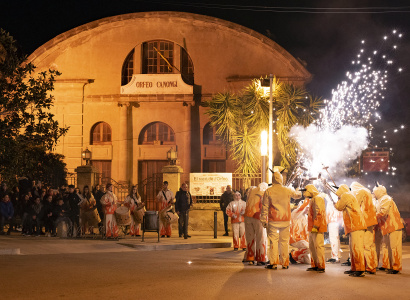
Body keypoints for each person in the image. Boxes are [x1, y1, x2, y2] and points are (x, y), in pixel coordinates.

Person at [261, 171, 301, 270]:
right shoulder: (287, 190)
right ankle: (285, 263)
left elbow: (264, 207)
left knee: (273, 241)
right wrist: (298, 190)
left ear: (273, 179)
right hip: (286, 219)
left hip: (273, 220)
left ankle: (274, 263)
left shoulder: (268, 191)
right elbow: (297, 195)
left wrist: (263, 220)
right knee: (284, 241)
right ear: (281, 179)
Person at [334, 184, 367, 277]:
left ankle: (360, 270)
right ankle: (354, 268)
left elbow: (339, 207)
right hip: (354, 225)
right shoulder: (348, 195)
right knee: (353, 248)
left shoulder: (346, 195)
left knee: (357, 248)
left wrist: (336, 202)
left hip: (356, 225)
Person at [373, 184, 403, 274]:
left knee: (394, 247)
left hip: (393, 226)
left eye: (374, 191)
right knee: (387, 247)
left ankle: (396, 267)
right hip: (387, 227)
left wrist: (371, 219)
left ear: (379, 191)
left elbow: (383, 212)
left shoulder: (385, 198)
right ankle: (388, 265)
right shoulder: (380, 200)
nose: (373, 193)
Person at [351, 182, 378, 274]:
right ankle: (372, 266)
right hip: (370, 220)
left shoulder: (360, 192)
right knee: (370, 245)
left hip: (365, 221)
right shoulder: (367, 192)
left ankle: (370, 267)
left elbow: (355, 204)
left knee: (366, 245)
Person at [303, 184, 327, 273]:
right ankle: (315, 265)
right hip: (313, 226)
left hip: (317, 226)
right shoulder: (314, 198)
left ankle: (321, 266)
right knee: (312, 246)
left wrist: (316, 225)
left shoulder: (318, 198)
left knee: (318, 246)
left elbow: (319, 212)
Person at [244, 182, 268, 265]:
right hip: (258, 217)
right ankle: (261, 259)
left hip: (247, 216)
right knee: (260, 238)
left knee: (250, 238)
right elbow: (265, 206)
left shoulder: (251, 190)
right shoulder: (264, 192)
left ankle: (250, 258)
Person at [289, 197, 311, 265]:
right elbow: (301, 207)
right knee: (309, 247)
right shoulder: (295, 213)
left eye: (308, 208)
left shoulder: (306, 217)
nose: (308, 209)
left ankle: (297, 255)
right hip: (295, 238)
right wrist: (308, 197)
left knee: (308, 262)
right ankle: (292, 255)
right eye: (307, 207)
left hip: (303, 240)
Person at [325, 193, 343, 263]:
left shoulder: (333, 200)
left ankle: (334, 257)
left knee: (333, 238)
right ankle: (337, 256)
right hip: (335, 220)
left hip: (333, 220)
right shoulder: (337, 199)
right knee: (336, 238)